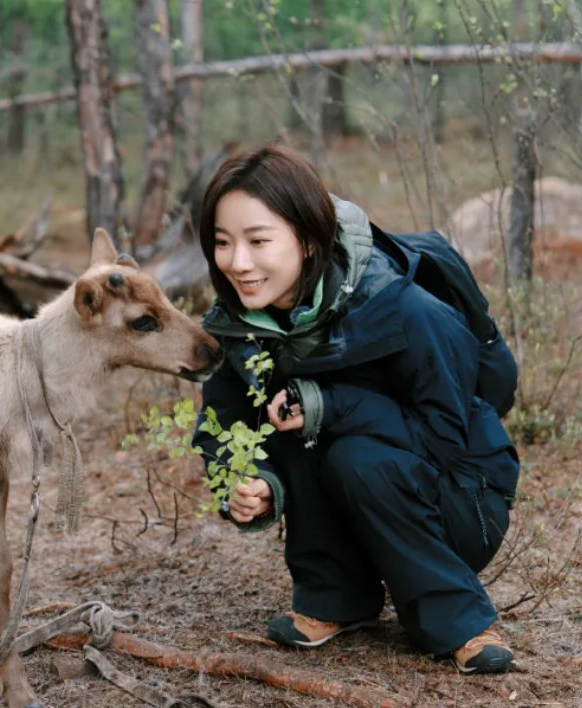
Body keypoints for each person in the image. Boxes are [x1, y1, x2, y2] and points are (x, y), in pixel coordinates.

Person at [192, 144, 521, 675]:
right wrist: (247, 480)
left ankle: (459, 621)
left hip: (462, 503)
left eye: (258, 241)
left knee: (353, 452)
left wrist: (334, 404)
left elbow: (444, 440)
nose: (238, 262)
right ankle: (336, 598)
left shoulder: (405, 308)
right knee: (292, 419)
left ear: (305, 238)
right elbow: (223, 422)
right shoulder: (241, 323)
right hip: (370, 496)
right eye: (222, 243)